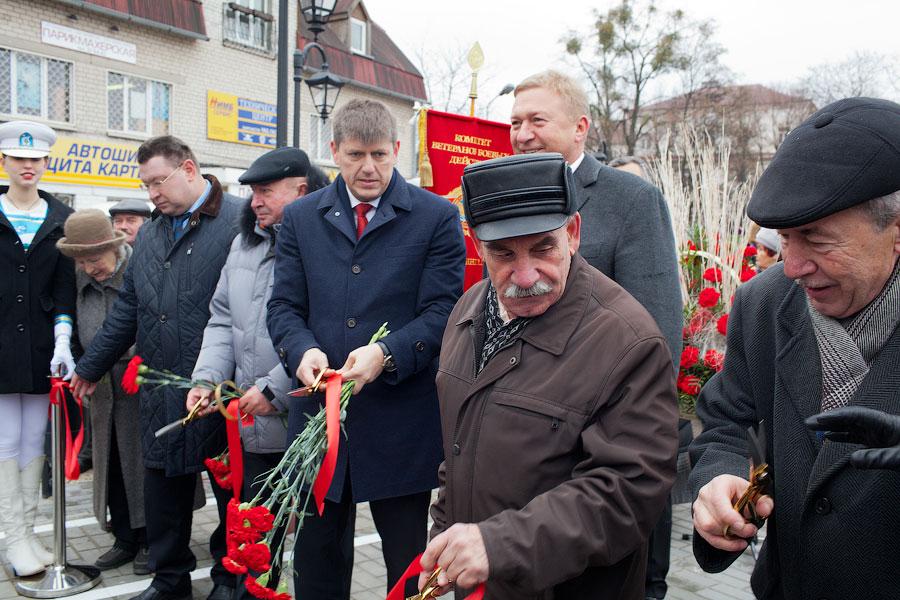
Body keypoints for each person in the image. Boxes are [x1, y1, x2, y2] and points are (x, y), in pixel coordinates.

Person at [419, 153, 678, 599]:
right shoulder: (466, 311)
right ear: (478, 247)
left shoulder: (628, 341)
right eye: (503, 254)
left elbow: (628, 492)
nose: (525, 275)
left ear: (573, 234)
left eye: (543, 248)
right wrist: (444, 541)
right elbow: (459, 447)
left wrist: (498, 545)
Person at [688, 97, 900, 599]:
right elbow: (727, 420)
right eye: (785, 238)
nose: (791, 265)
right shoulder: (764, 304)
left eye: (815, 237)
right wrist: (719, 479)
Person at [267, 98, 466, 598]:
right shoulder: (300, 218)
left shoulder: (435, 216)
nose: (369, 168)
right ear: (333, 150)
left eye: (380, 154)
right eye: (355, 155)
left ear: (397, 149)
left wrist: (388, 354)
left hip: (400, 420)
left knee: (405, 563)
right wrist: (302, 351)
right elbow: (284, 308)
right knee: (316, 564)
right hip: (320, 417)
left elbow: (445, 312)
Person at [510, 70, 683, 600]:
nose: (522, 134)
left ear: (580, 127)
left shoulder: (630, 199)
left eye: (538, 120)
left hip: (602, 438)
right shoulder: (509, 193)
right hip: (525, 438)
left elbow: (656, 331)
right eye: (515, 122)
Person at [71, 135, 242, 600]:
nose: (152, 194)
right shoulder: (148, 233)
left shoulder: (238, 220)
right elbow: (127, 310)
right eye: (145, 185)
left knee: (232, 492)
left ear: (189, 169)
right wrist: (90, 366)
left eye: (157, 182)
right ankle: (169, 580)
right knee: (163, 491)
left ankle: (231, 578)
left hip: (221, 387)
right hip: (162, 384)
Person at [188, 147, 326, 598]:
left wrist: (277, 390)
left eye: (265, 191)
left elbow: (323, 331)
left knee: (305, 547)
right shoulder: (245, 242)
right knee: (253, 532)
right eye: (251, 192)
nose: (254, 202)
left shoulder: (326, 241)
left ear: (301, 190)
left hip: (298, 422)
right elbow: (223, 319)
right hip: (248, 421)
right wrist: (207, 380)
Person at [0, 120, 75, 577]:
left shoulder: (60, 217)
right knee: (7, 440)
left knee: (35, 440)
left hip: (44, 348)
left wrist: (64, 337)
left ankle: (28, 533)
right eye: (19, 158)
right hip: (2, 347)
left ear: (46, 163)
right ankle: (13, 537)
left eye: (36, 160)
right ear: (5, 162)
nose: (28, 166)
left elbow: (65, 289)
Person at [55, 209, 149, 574]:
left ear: (114, 248)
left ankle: (149, 539)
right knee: (110, 468)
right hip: (101, 389)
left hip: (137, 384)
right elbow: (76, 327)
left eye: (93, 259)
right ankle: (123, 537)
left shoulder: (135, 273)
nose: (88, 267)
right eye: (80, 261)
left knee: (139, 466)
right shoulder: (81, 280)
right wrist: (80, 362)